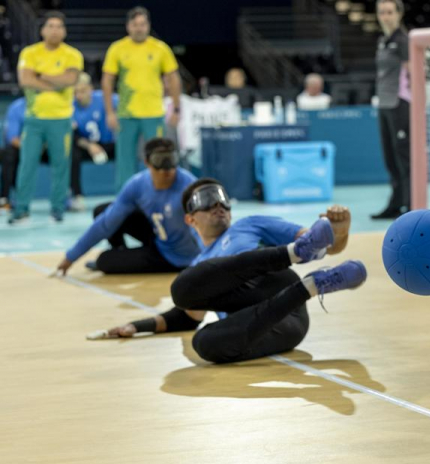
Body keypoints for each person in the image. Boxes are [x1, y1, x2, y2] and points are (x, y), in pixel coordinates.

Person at [95, 178, 366, 365]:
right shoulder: (200, 266)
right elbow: (186, 318)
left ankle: (295, 252)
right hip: (265, 324)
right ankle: (314, 286)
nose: (218, 206)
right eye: (207, 200)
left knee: (184, 286)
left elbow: (325, 245)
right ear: (189, 218)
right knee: (203, 344)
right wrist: (135, 326)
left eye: (222, 199)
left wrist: (339, 232)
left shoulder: (249, 224)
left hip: (277, 293)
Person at [56, 138, 199, 275]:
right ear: (147, 162)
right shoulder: (138, 184)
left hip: (176, 257)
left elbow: (205, 230)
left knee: (104, 261)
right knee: (103, 211)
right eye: (159, 160)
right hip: (158, 235)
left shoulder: (189, 188)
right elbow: (106, 224)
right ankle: (121, 251)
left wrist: (202, 264)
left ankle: (123, 258)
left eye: (171, 160)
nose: (166, 168)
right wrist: (71, 256)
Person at [10, 11, 83, 224]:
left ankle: (58, 209)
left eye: (59, 26)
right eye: (50, 26)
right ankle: (21, 209)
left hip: (61, 120)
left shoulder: (73, 54)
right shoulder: (30, 52)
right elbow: (25, 80)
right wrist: (55, 83)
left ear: (64, 31)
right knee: (27, 164)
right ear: (42, 30)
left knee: (60, 166)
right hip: (34, 119)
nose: (54, 30)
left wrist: (40, 75)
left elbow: (70, 80)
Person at [102, 6, 181, 191]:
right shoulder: (117, 49)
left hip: (153, 113)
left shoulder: (160, 48)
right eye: (135, 24)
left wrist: (177, 108)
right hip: (126, 114)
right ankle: (125, 199)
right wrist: (109, 112)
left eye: (143, 24)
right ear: (128, 26)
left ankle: (160, 194)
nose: (139, 28)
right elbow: (107, 81)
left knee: (159, 157)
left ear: (148, 26)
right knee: (125, 161)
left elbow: (173, 78)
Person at [372, 0, 411, 220]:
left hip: (400, 104)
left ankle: (411, 204)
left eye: (389, 12)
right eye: (381, 12)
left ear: (398, 15)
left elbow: (413, 73)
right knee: (390, 158)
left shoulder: (403, 40)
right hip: (384, 104)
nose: (385, 16)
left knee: (404, 158)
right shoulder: (382, 41)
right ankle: (396, 204)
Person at [69, 72, 118, 211]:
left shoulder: (106, 99)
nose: (79, 95)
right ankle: (77, 196)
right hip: (86, 145)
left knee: (125, 150)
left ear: (90, 88)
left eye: (82, 91)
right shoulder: (70, 107)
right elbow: (72, 134)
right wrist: (90, 146)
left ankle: (125, 194)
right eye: (75, 92)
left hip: (109, 143)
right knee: (71, 151)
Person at [0, 97, 25, 212]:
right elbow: (12, 138)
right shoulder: (16, 107)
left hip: (46, 148)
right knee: (8, 154)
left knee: (67, 154)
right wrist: (31, 149)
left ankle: (69, 198)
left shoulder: (50, 107)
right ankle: (4, 199)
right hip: (22, 147)